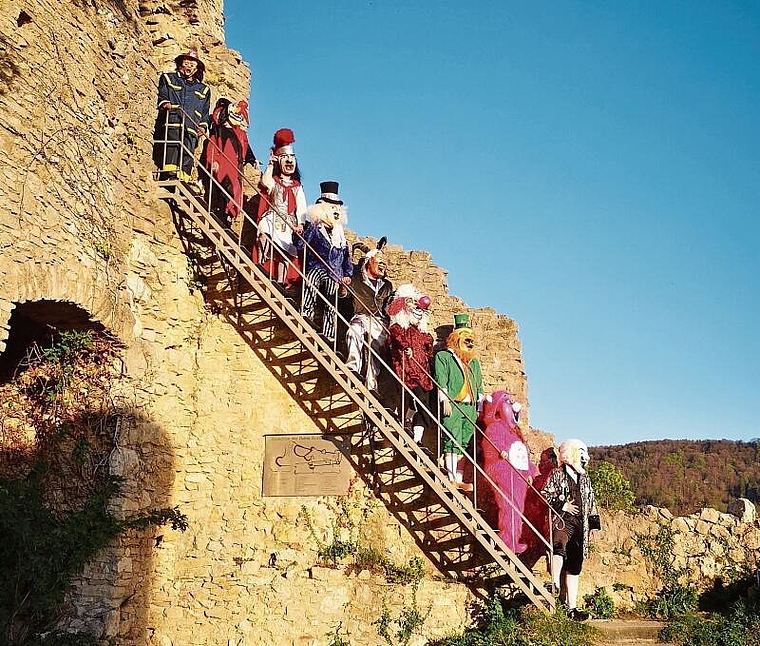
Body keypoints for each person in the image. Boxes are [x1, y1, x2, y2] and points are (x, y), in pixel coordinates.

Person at [541, 438, 601, 621]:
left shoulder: (585, 478)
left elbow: (591, 501)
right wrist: (563, 505)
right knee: (558, 546)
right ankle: (555, 583)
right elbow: (545, 494)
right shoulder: (557, 474)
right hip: (562, 520)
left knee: (575, 564)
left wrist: (593, 524)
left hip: (580, 524)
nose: (585, 458)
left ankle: (572, 608)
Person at [480, 390, 537, 553]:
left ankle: (514, 539)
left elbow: (524, 454)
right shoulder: (495, 427)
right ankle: (507, 540)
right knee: (508, 506)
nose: (512, 405)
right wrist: (500, 450)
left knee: (517, 508)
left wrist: (531, 471)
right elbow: (491, 443)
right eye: (508, 401)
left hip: (518, 475)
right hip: (503, 471)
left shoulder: (515, 433)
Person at [434, 313, 484, 491]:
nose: (469, 343)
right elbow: (441, 379)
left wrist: (479, 408)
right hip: (454, 404)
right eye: (466, 338)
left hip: (470, 408)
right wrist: (444, 400)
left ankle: (460, 479)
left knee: (464, 441)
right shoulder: (443, 357)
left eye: (471, 340)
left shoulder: (474, 363)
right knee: (452, 438)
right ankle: (451, 476)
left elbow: (479, 386)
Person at [299, 182, 353, 342]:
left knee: (331, 301)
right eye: (332, 207)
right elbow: (302, 245)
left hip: (334, 274)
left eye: (338, 208)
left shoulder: (340, 236)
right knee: (312, 280)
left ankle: (329, 333)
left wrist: (347, 274)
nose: (336, 211)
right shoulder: (316, 228)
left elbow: (346, 258)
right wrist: (305, 231)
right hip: (317, 267)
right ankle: (306, 315)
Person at [256, 128, 307, 290]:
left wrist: (301, 223)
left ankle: (280, 281)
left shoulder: (297, 186)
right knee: (263, 232)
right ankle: (261, 262)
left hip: (288, 222)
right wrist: (270, 163)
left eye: (292, 158)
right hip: (272, 216)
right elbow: (265, 182)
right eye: (285, 158)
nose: (290, 161)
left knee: (284, 253)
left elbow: (302, 206)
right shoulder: (275, 181)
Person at [386, 284, 434, 445]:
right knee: (406, 401)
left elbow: (428, 347)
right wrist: (406, 347)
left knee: (422, 405)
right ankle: (404, 426)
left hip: (422, 373)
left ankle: (417, 437)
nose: (417, 309)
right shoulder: (398, 327)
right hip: (405, 370)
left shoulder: (421, 332)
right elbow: (397, 336)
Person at [199, 98, 258, 227]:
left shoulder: (241, 134)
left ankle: (227, 219)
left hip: (235, 168)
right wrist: (213, 160)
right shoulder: (219, 130)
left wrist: (252, 159)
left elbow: (246, 148)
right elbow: (212, 146)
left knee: (233, 193)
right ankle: (218, 216)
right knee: (221, 191)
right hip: (223, 166)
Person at [344, 239, 393, 392]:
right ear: (368, 263)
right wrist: (342, 288)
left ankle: (372, 384)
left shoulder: (387, 285)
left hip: (380, 321)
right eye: (379, 262)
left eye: (384, 263)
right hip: (362, 316)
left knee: (376, 347)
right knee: (353, 331)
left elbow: (389, 306)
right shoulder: (356, 280)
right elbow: (344, 296)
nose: (383, 266)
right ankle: (352, 367)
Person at [154, 50, 211, 182]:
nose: (189, 67)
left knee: (187, 153)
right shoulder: (169, 78)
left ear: (197, 68)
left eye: (192, 64)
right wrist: (165, 103)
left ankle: (183, 179)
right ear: (180, 64)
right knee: (172, 147)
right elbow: (163, 94)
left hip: (191, 127)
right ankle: (169, 176)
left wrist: (203, 126)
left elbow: (205, 111)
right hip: (174, 121)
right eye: (186, 63)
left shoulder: (204, 89)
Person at [519, 446, 559, 569]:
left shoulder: (553, 478)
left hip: (544, 523)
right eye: (540, 462)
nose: (540, 465)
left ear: (552, 462)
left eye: (543, 461)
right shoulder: (539, 479)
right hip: (534, 523)